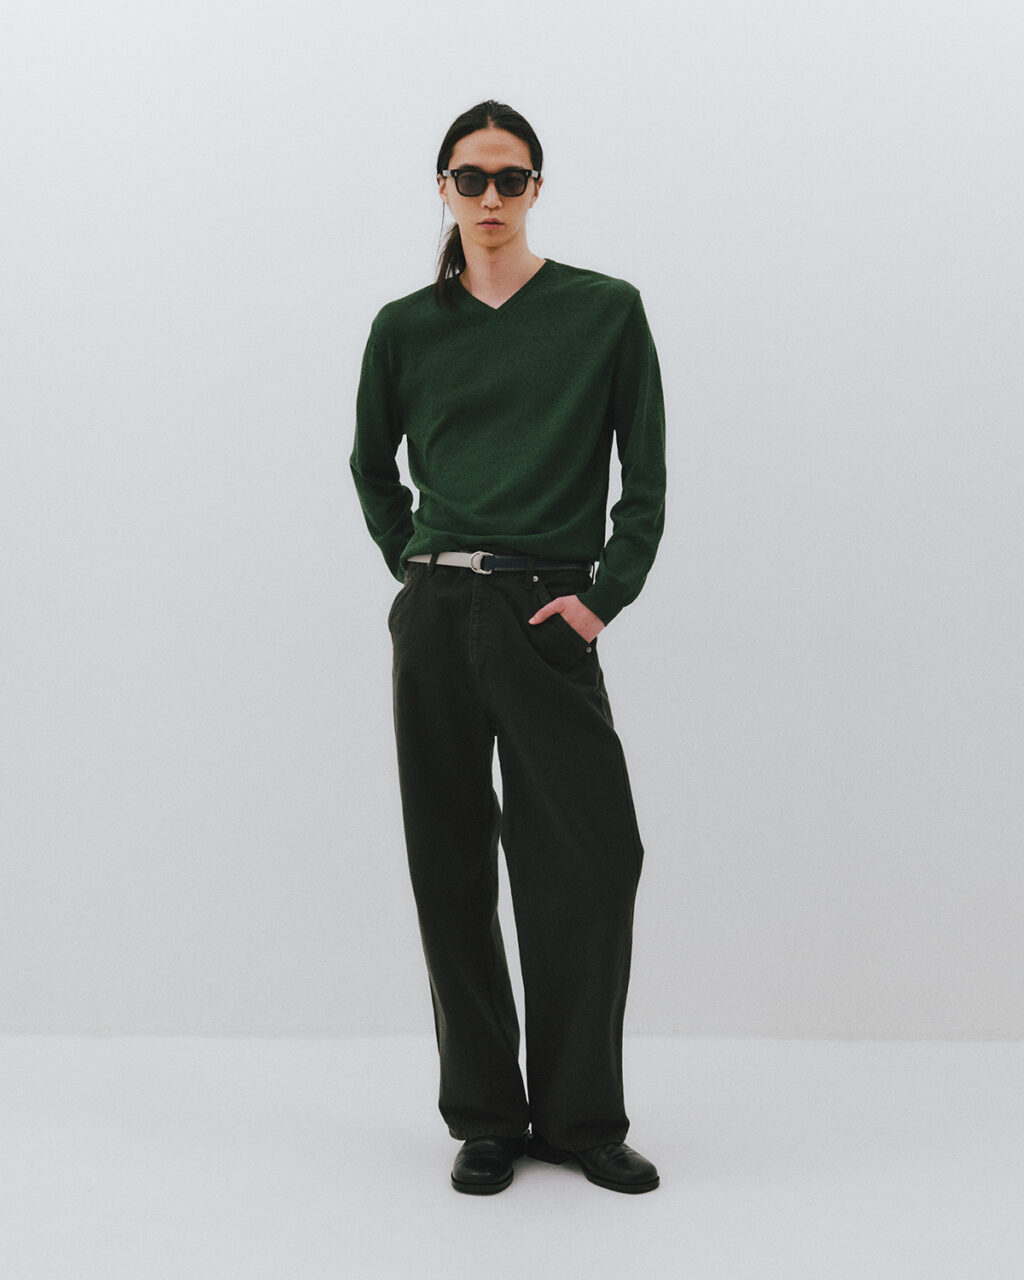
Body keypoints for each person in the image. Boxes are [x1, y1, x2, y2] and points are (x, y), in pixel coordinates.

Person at [350, 100, 666, 1196]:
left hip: (547, 611)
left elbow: (645, 475)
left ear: (537, 187)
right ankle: (485, 1116)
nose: (491, 197)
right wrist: (414, 568)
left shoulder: (604, 311)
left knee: (592, 858)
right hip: (438, 613)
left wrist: (601, 597)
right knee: (449, 862)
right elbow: (371, 467)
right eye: (471, 177)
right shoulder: (404, 326)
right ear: (442, 186)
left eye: (511, 178)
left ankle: (580, 1117)